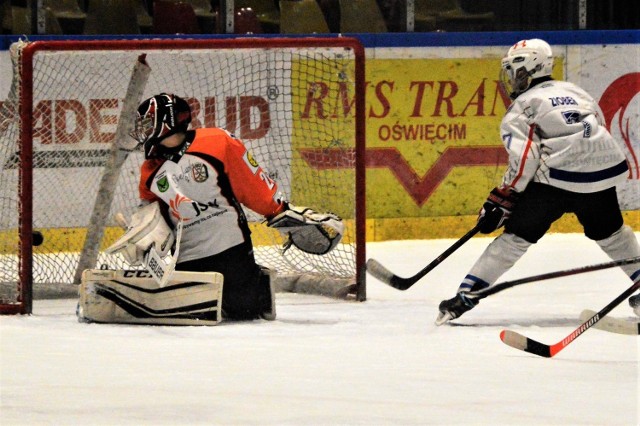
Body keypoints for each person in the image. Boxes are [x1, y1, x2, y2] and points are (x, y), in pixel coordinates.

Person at [436, 39, 640, 325]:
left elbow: (524, 162)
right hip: (602, 172)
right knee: (612, 234)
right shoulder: (575, 91)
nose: (511, 80)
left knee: (515, 238)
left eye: (515, 72)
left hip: (556, 182)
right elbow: (598, 127)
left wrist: (501, 199)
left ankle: (466, 295)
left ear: (528, 71)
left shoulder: (521, 108)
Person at [120, 93, 343, 322]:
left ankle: (257, 282)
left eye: (148, 122)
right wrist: (144, 235)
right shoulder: (150, 169)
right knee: (198, 316)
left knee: (243, 312)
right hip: (188, 257)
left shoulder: (217, 142)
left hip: (231, 246)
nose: (143, 130)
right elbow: (152, 213)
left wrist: (276, 210)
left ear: (168, 121)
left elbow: (251, 182)